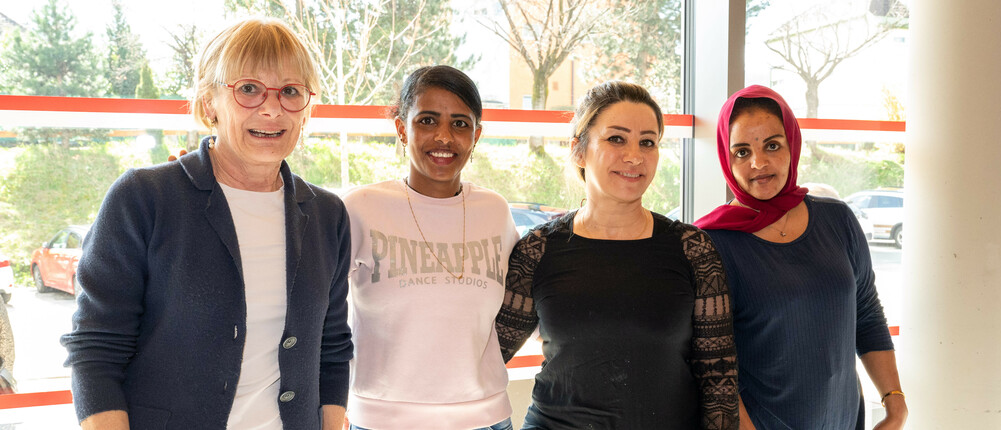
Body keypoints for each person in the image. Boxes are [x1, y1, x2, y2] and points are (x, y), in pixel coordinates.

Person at [60, 18, 352, 429]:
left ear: (306, 108)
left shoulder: (327, 214)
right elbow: (96, 350)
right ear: (209, 101)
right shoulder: (145, 198)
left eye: (290, 91)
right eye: (249, 89)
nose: (271, 109)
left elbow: (333, 347)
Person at [495, 81, 739, 429]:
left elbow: (719, 383)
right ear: (579, 150)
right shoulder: (538, 250)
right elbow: (486, 359)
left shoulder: (692, 249)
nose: (635, 156)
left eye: (648, 142)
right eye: (616, 138)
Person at [693, 85, 907, 430]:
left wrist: (894, 404)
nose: (758, 163)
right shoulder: (710, 243)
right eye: (742, 151)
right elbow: (713, 367)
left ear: (792, 146)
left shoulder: (837, 220)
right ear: (725, 157)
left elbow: (866, 314)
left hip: (843, 420)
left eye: (772, 146)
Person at [343, 65, 518, 430]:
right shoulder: (360, 208)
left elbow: (512, 309)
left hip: (486, 419)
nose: (444, 137)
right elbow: (320, 316)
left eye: (460, 123)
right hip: (381, 421)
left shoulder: (495, 211)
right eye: (426, 120)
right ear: (401, 128)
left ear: (477, 135)